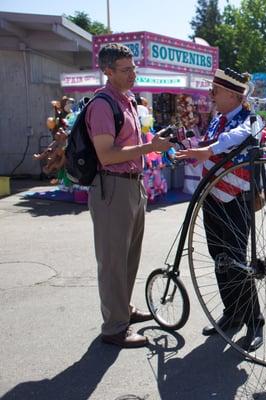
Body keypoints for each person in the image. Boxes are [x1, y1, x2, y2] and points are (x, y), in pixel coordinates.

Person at [86, 43, 172, 348]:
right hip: (112, 186)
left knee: (128, 257)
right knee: (112, 261)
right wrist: (150, 149)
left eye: (133, 67)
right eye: (126, 70)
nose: (133, 73)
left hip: (132, 185)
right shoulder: (102, 105)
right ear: (107, 72)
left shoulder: (128, 100)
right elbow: (107, 155)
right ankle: (113, 328)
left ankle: (123, 311)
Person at [175, 68, 264, 352]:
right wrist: (188, 147)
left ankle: (254, 320)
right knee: (219, 256)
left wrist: (209, 149)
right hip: (212, 196)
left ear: (233, 94)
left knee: (237, 259)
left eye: (216, 90)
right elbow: (206, 147)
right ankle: (232, 313)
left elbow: (239, 136)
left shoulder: (250, 120)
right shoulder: (216, 120)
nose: (211, 94)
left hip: (236, 198)